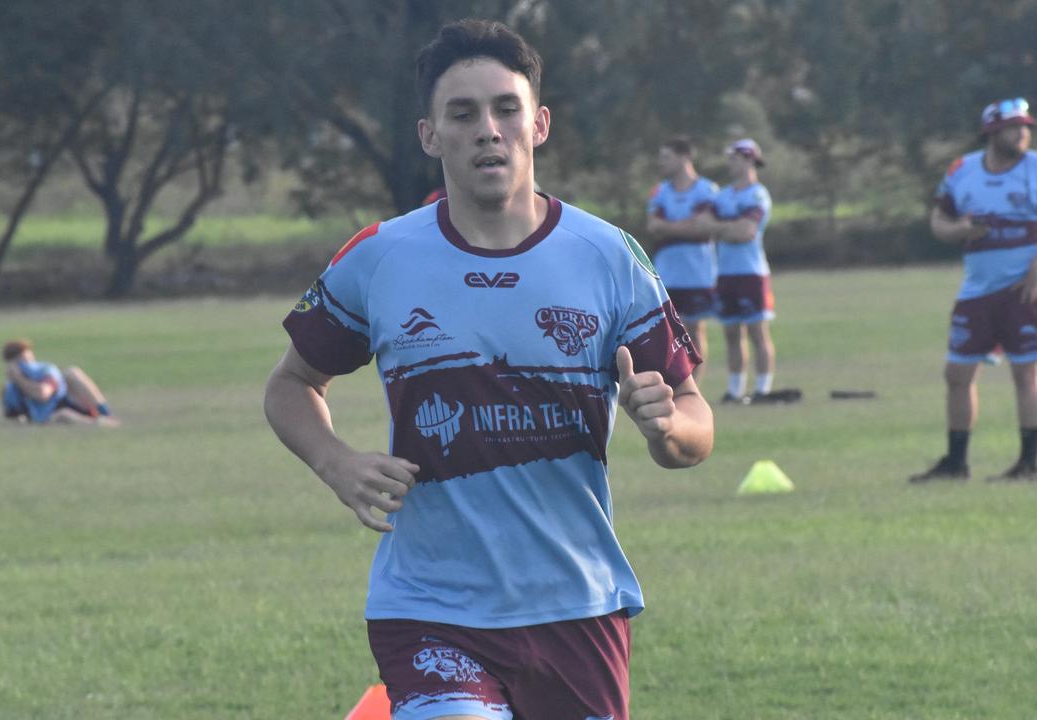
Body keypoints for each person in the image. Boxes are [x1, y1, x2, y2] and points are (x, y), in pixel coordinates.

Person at [263, 19, 713, 720]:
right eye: (463, 113)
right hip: (430, 605)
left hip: (577, 604)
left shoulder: (608, 256)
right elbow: (290, 385)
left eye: (506, 108)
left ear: (539, 124)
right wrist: (336, 463)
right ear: (430, 136)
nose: (488, 129)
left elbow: (693, 416)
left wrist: (668, 430)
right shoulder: (381, 257)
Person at [909, 97, 1037, 483]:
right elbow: (939, 221)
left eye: (1026, 126)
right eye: (1013, 127)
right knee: (956, 374)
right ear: (991, 132)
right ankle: (956, 464)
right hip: (977, 291)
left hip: (1024, 292)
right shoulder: (963, 171)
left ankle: (1028, 464)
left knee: (1025, 375)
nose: (1022, 133)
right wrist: (959, 231)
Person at [697, 139, 799, 405]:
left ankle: (763, 390)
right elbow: (704, 224)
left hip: (752, 273)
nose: (730, 163)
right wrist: (728, 228)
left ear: (748, 159)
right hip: (724, 274)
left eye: (734, 158)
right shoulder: (723, 195)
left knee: (757, 332)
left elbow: (745, 233)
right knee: (731, 334)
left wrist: (721, 228)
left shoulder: (757, 194)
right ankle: (735, 391)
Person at [645, 136, 721, 383]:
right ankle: (675, 383)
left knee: (695, 329)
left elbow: (704, 228)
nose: (661, 162)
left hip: (697, 272)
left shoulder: (707, 189)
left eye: (666, 157)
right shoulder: (660, 191)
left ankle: (694, 387)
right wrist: (687, 225)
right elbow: (653, 226)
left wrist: (669, 227)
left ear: (684, 157)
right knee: (667, 334)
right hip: (666, 273)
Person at [0, 339, 118, 426]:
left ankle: (105, 415)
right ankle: (97, 424)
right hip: (52, 417)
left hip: (68, 403)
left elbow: (43, 394)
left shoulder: (46, 371)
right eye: (22, 362)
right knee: (63, 416)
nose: (28, 365)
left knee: (72, 373)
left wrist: (20, 379)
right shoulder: (10, 389)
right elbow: (14, 418)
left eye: (29, 360)